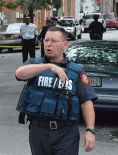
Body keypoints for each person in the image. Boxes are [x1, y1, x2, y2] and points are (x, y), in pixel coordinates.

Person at [15, 27, 97, 155]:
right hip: (39, 131)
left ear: (65, 45)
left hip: (66, 132)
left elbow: (86, 102)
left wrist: (90, 130)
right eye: (46, 40)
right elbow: (19, 74)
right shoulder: (35, 64)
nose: (48, 44)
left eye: (53, 41)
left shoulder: (76, 71)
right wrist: (49, 66)